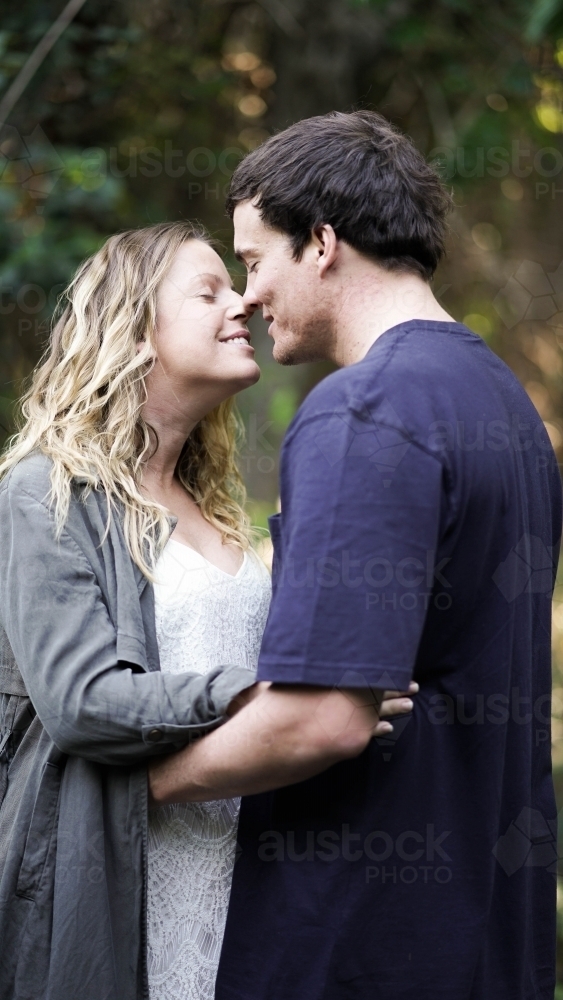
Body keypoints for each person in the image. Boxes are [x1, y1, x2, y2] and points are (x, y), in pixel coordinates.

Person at [148, 112, 562, 1000]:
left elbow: (323, 718)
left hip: (354, 943)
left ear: (322, 243)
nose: (247, 299)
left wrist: (134, 788)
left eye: (255, 262)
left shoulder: (362, 412)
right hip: (485, 939)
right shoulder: (505, 409)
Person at [0, 219, 409, 1000]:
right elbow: (82, 702)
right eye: (208, 290)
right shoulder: (44, 492)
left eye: (239, 283)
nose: (244, 304)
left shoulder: (218, 510)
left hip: (242, 873)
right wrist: (249, 693)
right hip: (112, 877)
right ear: (134, 327)